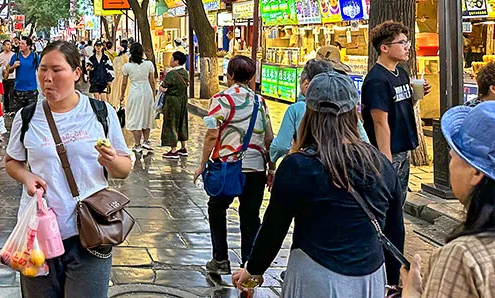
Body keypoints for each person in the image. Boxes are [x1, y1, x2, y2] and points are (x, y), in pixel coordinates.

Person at [232, 72, 404, 297]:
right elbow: (394, 231)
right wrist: (392, 283)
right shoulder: (380, 164)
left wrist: (253, 271)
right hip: (370, 279)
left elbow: (273, 229)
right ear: (354, 112)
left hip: (314, 276)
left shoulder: (297, 166)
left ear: (309, 113)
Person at [4, 41, 132, 297]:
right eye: (43, 69)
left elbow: (123, 169)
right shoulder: (27, 116)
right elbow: (11, 162)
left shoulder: (100, 112)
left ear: (76, 73)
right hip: (37, 234)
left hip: (89, 232)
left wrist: (110, 160)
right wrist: (26, 176)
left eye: (57, 70)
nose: (47, 78)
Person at [401, 101, 495, 298]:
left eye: (454, 156)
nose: (450, 163)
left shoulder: (462, 257)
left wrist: (412, 294)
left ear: (476, 172)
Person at [193, 55, 274, 274]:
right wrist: (271, 168)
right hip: (255, 167)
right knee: (250, 216)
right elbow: (269, 138)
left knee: (217, 208)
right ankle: (248, 266)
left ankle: (220, 259)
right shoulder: (260, 102)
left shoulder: (220, 99)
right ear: (251, 77)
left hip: (227, 166)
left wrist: (202, 164)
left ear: (229, 75)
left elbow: (212, 134)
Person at [362, 21, 429, 198]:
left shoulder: (402, 73)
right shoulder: (377, 80)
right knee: (387, 200)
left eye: (407, 42)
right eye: (401, 43)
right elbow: (379, 122)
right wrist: (386, 161)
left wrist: (416, 96)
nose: (407, 47)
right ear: (384, 48)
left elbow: (402, 106)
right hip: (388, 150)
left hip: (403, 148)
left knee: (400, 198)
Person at [269, 59, 370, 163]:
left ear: (306, 83)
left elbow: (281, 146)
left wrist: (275, 158)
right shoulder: (345, 109)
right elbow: (365, 141)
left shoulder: (296, 109)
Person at [119, 42, 156, 153]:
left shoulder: (127, 67)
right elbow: (152, 81)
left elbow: (124, 83)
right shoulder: (149, 64)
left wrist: (121, 95)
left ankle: (137, 143)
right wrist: (154, 94)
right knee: (147, 116)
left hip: (134, 92)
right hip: (147, 92)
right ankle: (146, 141)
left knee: (135, 116)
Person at [161, 51, 190, 159]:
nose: (170, 61)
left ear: (177, 61)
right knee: (182, 122)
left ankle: (173, 150)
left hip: (172, 102)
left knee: (171, 123)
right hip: (183, 100)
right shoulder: (185, 73)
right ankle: (183, 147)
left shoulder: (171, 74)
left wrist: (160, 88)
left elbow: (164, 88)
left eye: (172, 59)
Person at [6, 36, 40, 113]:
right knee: (19, 113)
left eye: (22, 44)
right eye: (20, 43)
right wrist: (13, 66)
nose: (20, 45)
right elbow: (9, 70)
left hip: (31, 89)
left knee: (31, 113)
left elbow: (40, 70)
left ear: (28, 46)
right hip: (19, 89)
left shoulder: (35, 56)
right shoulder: (16, 56)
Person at [109, 43, 129, 109]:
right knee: (125, 94)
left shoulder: (116, 59)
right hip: (125, 78)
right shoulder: (126, 57)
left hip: (116, 79)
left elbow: (114, 68)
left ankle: (118, 107)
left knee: (116, 94)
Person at [0, 40, 16, 114]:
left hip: (12, 76)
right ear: (3, 46)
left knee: (12, 93)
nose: (9, 46)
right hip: (3, 77)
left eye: (10, 45)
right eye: (7, 44)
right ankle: (6, 108)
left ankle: (12, 109)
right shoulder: (0, 55)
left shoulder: (14, 55)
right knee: (5, 93)